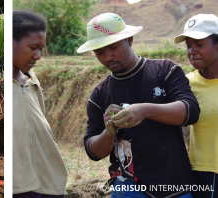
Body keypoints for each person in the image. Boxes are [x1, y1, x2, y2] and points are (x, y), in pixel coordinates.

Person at [79, 13, 199, 198]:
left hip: (173, 186)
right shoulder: (100, 94)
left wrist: (145, 110)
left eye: (113, 47)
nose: (108, 56)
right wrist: (109, 132)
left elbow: (190, 111)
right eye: (99, 52)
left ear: (129, 39)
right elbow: (93, 152)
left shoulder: (165, 71)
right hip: (127, 187)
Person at [12, 10, 67, 197]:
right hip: (19, 186)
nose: (38, 56)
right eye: (32, 48)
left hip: (48, 182)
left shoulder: (31, 80)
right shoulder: (3, 85)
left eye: (40, 49)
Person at [175, 14, 218, 198]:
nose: (192, 51)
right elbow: (184, 131)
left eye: (199, 45)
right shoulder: (185, 84)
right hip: (202, 173)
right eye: (189, 46)